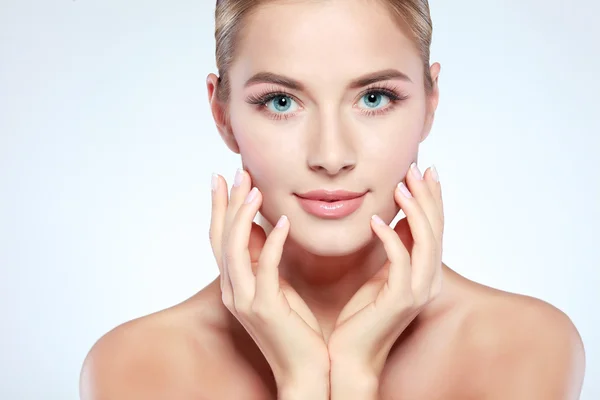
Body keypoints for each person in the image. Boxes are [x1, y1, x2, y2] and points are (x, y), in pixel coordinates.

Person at [79, 0, 586, 398]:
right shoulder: (135, 365)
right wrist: (302, 380)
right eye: (281, 102)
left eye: (374, 98)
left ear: (431, 102)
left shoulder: (525, 346)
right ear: (223, 113)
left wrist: (355, 375)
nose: (330, 154)